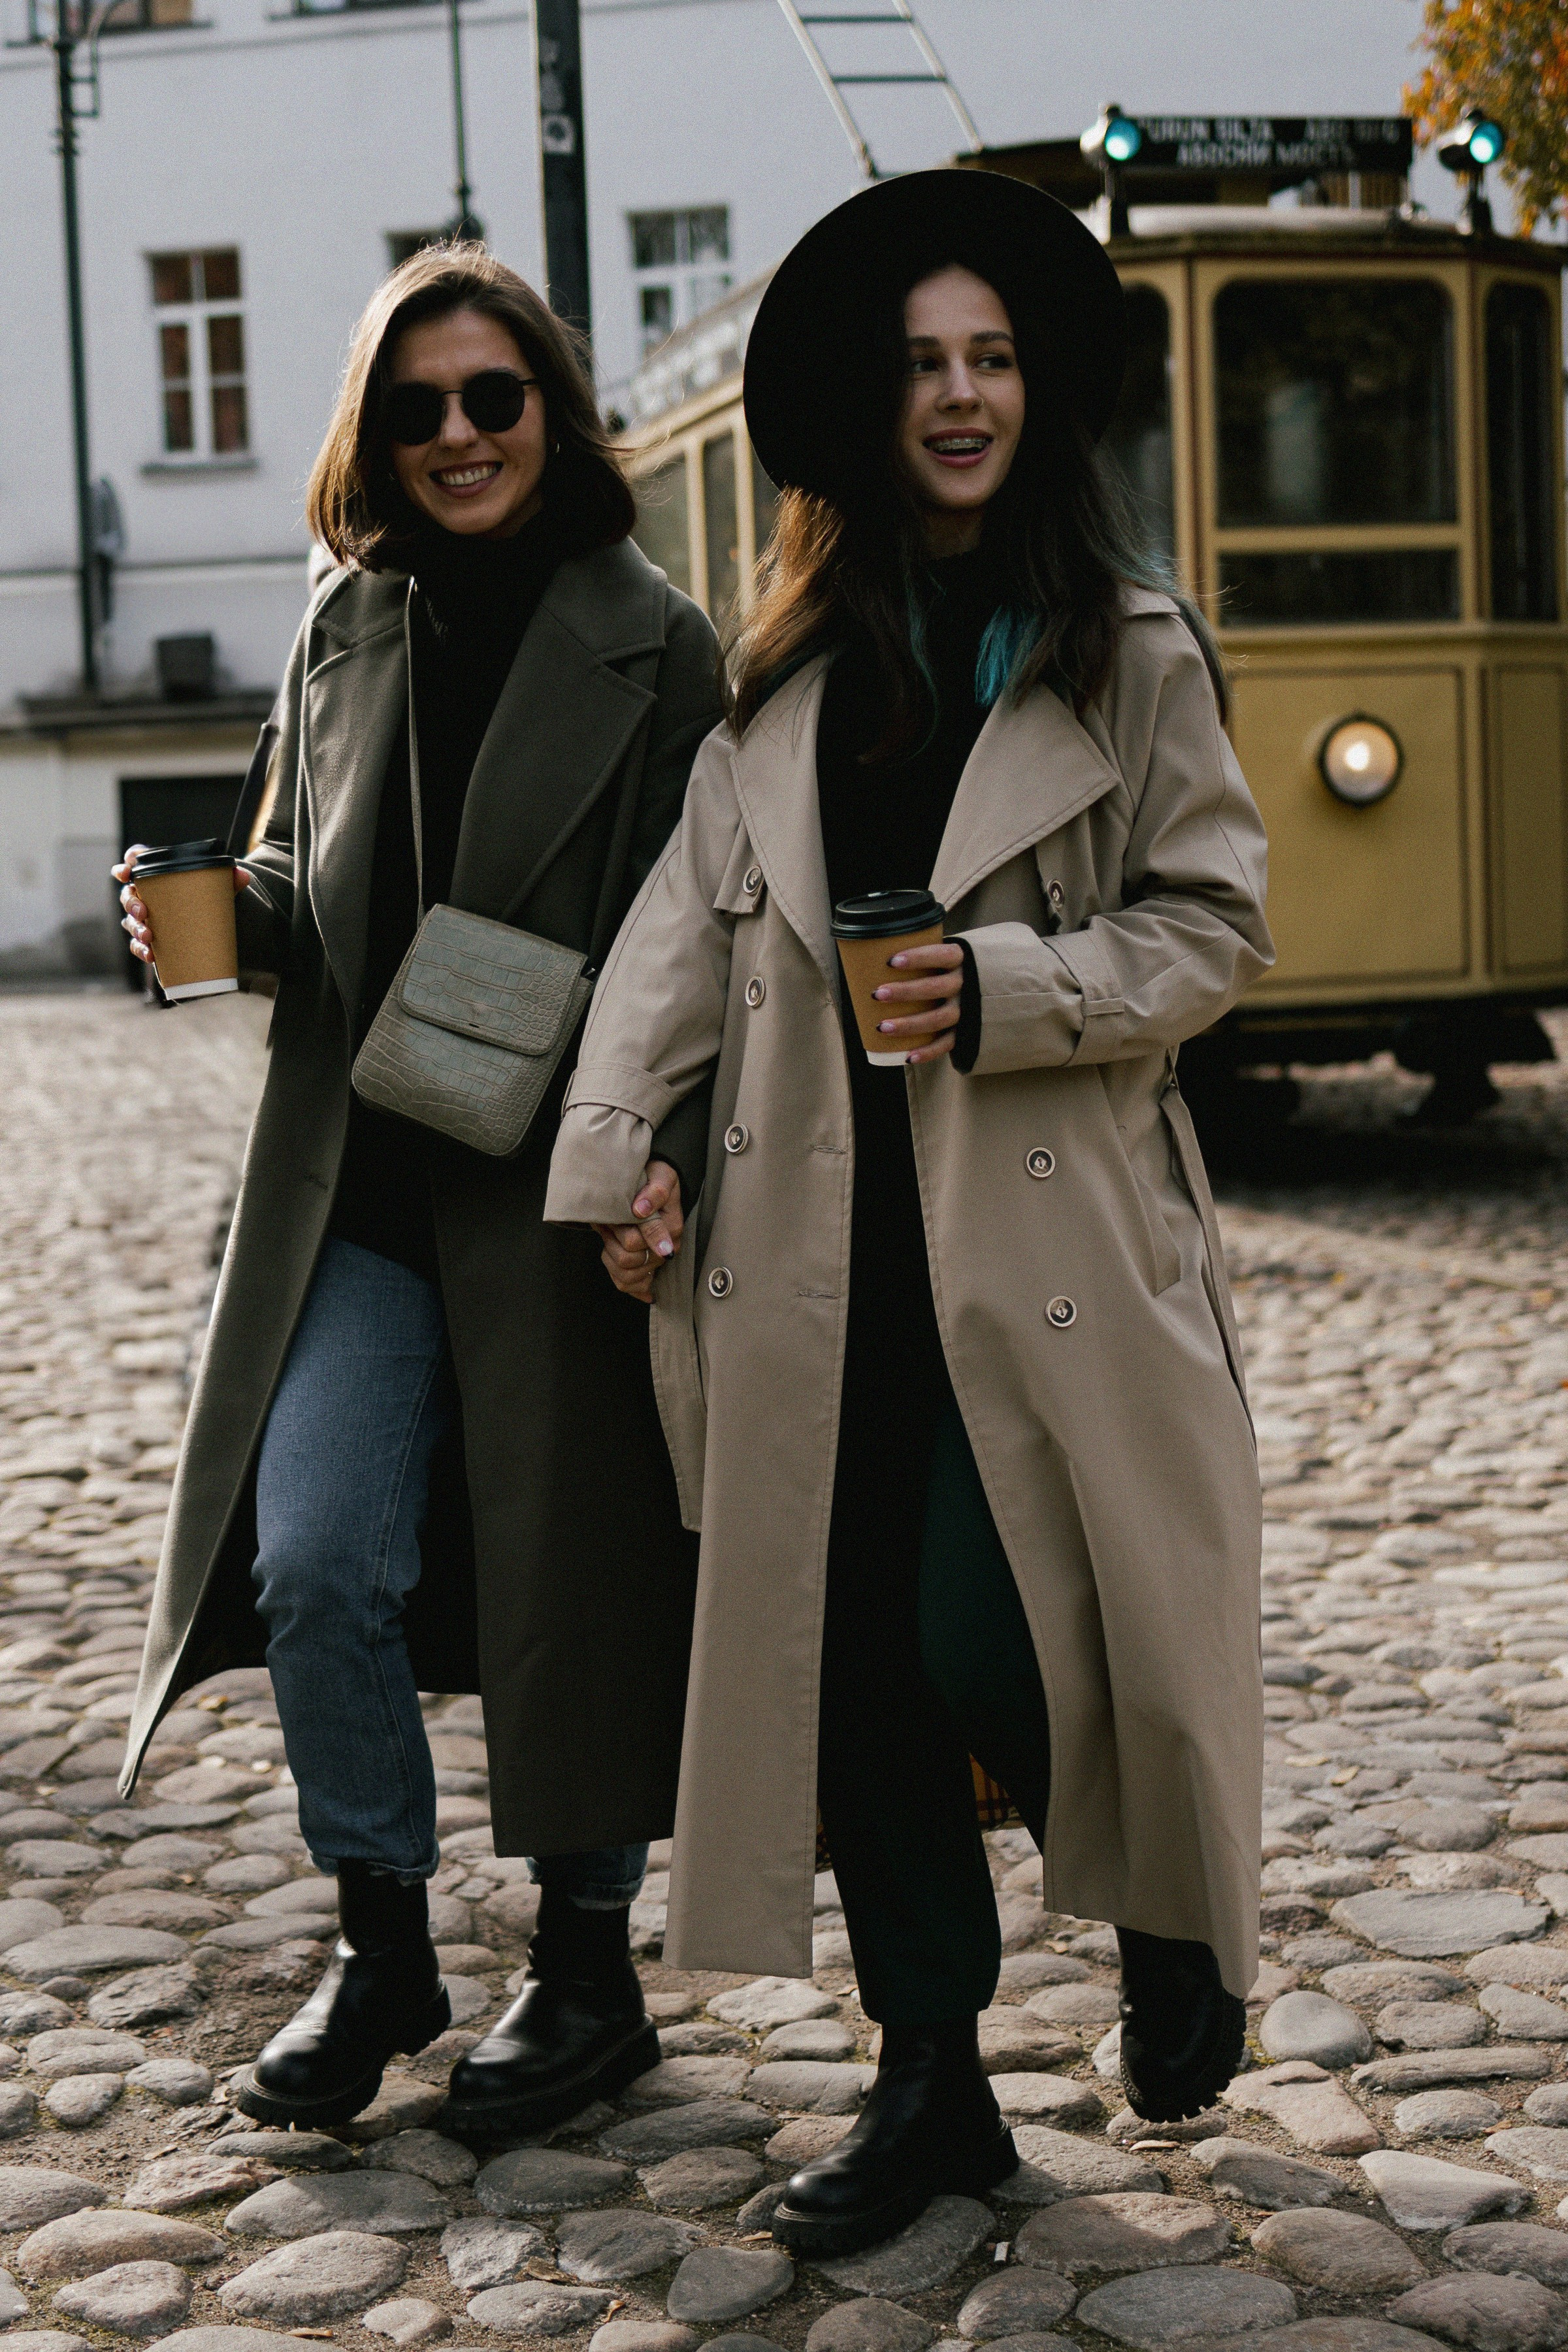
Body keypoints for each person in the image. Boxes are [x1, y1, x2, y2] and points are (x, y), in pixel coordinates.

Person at [544, 169, 1273, 2255]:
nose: (961, 397)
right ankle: (934, 2084)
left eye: (994, 360)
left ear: (1037, 393)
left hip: (1044, 1250)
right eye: (925, 366)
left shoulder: (1126, 648)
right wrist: (628, 1155)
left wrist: (1020, 992)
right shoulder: (778, 679)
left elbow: (1219, 926)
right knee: (857, 1660)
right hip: (809, 1258)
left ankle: (1161, 1902)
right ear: (871, 407)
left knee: (992, 1631)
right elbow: (679, 948)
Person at [114, 244, 722, 2134]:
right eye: (416, 408)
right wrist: (202, 917)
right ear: (373, 434)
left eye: (491, 398)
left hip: (567, 1177)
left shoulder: (659, 642)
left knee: (577, 1573)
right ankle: (382, 1938)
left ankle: (591, 1974)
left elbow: (709, 943)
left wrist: (672, 1157)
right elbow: (313, 894)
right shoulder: (342, 622)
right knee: (315, 1559)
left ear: (551, 406)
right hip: (363, 1183)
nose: (456, 437)